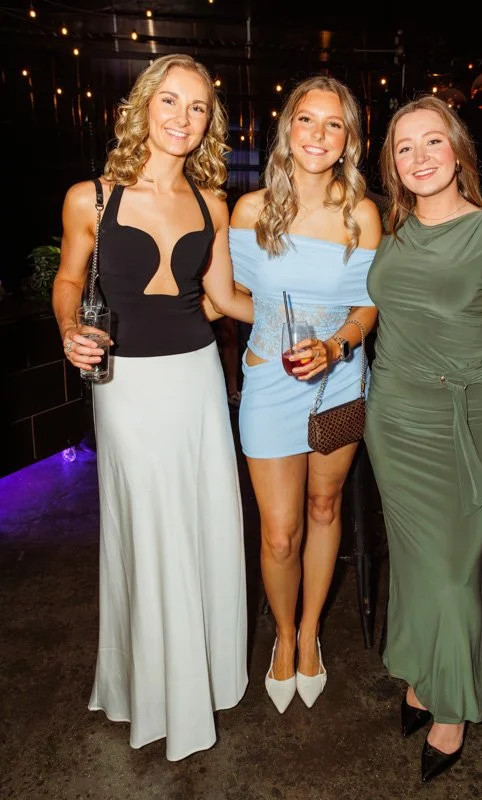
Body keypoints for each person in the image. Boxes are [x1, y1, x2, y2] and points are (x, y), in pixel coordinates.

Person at [52, 53, 254, 761]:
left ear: (209, 123)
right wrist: (70, 331)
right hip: (126, 385)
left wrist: (310, 323)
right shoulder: (92, 198)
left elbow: (226, 300)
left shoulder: (213, 204)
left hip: (198, 377)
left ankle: (202, 678)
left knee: (202, 521)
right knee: (149, 527)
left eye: (197, 108)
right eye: (170, 102)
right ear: (143, 107)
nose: (183, 118)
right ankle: (151, 687)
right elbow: (69, 279)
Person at [364, 95, 482, 782]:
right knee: (412, 561)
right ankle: (416, 672)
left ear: (458, 150)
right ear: (393, 164)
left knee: (452, 573)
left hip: (466, 421)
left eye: (433, 142)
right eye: (405, 148)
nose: (420, 158)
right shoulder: (391, 231)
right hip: (393, 419)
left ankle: (454, 706)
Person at [229, 76, 381, 713]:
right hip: (268, 383)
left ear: (349, 139)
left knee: (325, 510)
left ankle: (312, 631)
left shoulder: (362, 213)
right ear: (286, 128)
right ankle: (283, 637)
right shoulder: (251, 211)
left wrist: (336, 345)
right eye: (307, 120)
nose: (319, 135)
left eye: (334, 124)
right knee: (279, 533)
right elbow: (227, 295)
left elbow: (368, 307)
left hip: (340, 380)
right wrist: (270, 327)